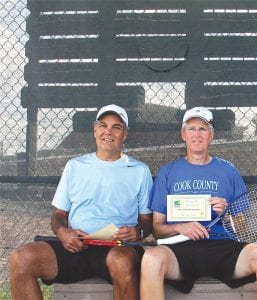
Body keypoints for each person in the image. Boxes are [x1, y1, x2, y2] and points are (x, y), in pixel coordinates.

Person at [9, 104, 153, 300]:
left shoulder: (139, 170)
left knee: (121, 261)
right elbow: (59, 215)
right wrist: (63, 232)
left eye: (116, 127)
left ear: (125, 134)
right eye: (103, 125)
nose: (108, 132)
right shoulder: (75, 166)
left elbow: (147, 220)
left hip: (118, 245)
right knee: (21, 258)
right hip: (77, 245)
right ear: (95, 130)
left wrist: (138, 232)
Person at [140, 107, 257, 300]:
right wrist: (182, 227)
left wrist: (228, 213)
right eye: (191, 128)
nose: (197, 134)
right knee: (150, 259)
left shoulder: (228, 170)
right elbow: (157, 229)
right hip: (181, 250)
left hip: (223, 247)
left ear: (211, 135)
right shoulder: (168, 172)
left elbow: (240, 227)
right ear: (183, 134)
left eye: (203, 129)